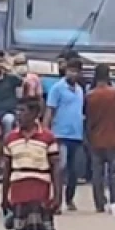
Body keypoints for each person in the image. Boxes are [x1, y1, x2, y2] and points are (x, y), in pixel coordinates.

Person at [1, 99, 61, 230]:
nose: (19, 115)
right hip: (19, 194)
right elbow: (7, 169)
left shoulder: (47, 138)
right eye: (18, 111)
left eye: (23, 111)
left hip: (40, 193)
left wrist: (57, 196)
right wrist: (4, 197)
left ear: (35, 114)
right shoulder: (11, 139)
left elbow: (56, 168)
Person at [44, 58, 86, 211]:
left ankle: (70, 198)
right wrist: (45, 131)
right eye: (70, 70)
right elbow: (50, 110)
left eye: (76, 71)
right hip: (60, 134)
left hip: (76, 135)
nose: (73, 74)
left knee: (74, 170)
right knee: (60, 168)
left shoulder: (80, 90)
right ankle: (57, 201)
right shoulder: (57, 88)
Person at [84, 64, 115, 211]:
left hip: (96, 140)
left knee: (97, 174)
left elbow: (88, 120)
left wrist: (87, 138)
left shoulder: (90, 95)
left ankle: (99, 204)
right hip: (113, 138)